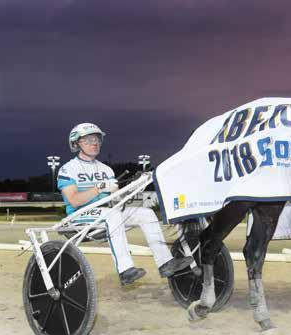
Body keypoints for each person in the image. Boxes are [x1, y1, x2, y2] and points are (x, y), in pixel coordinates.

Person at [57, 122, 193, 285]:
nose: (95, 143)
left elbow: (117, 201)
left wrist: (132, 187)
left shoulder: (106, 170)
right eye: (89, 140)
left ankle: (165, 263)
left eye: (97, 139)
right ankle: (125, 270)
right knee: (111, 214)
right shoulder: (68, 169)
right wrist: (99, 187)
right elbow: (73, 200)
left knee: (146, 213)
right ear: (76, 143)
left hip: (106, 214)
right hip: (79, 216)